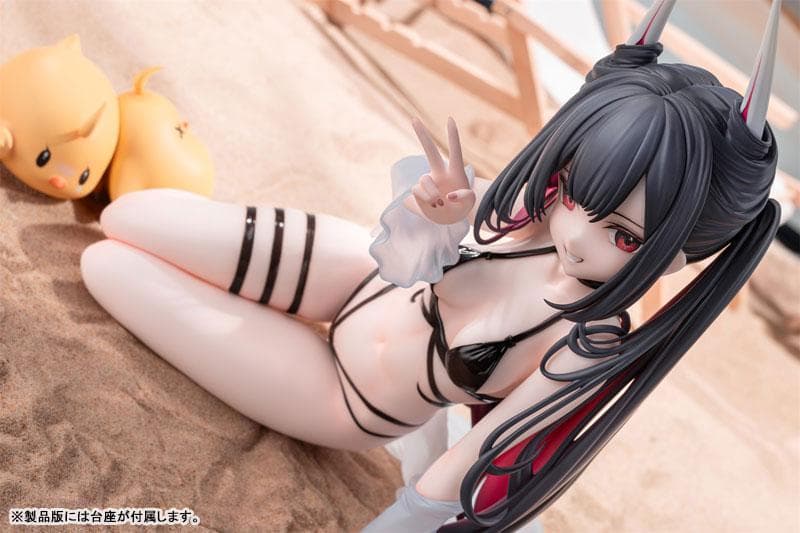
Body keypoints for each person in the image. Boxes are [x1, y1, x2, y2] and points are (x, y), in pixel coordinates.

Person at [80, 0, 782, 530]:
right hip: (353, 273)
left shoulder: (584, 347)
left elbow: (458, 471)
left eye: (625, 237)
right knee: (128, 220)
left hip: (349, 396)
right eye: (573, 189)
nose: (575, 231)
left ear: (679, 256)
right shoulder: (526, 211)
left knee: (109, 270)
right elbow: (408, 257)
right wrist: (436, 218)